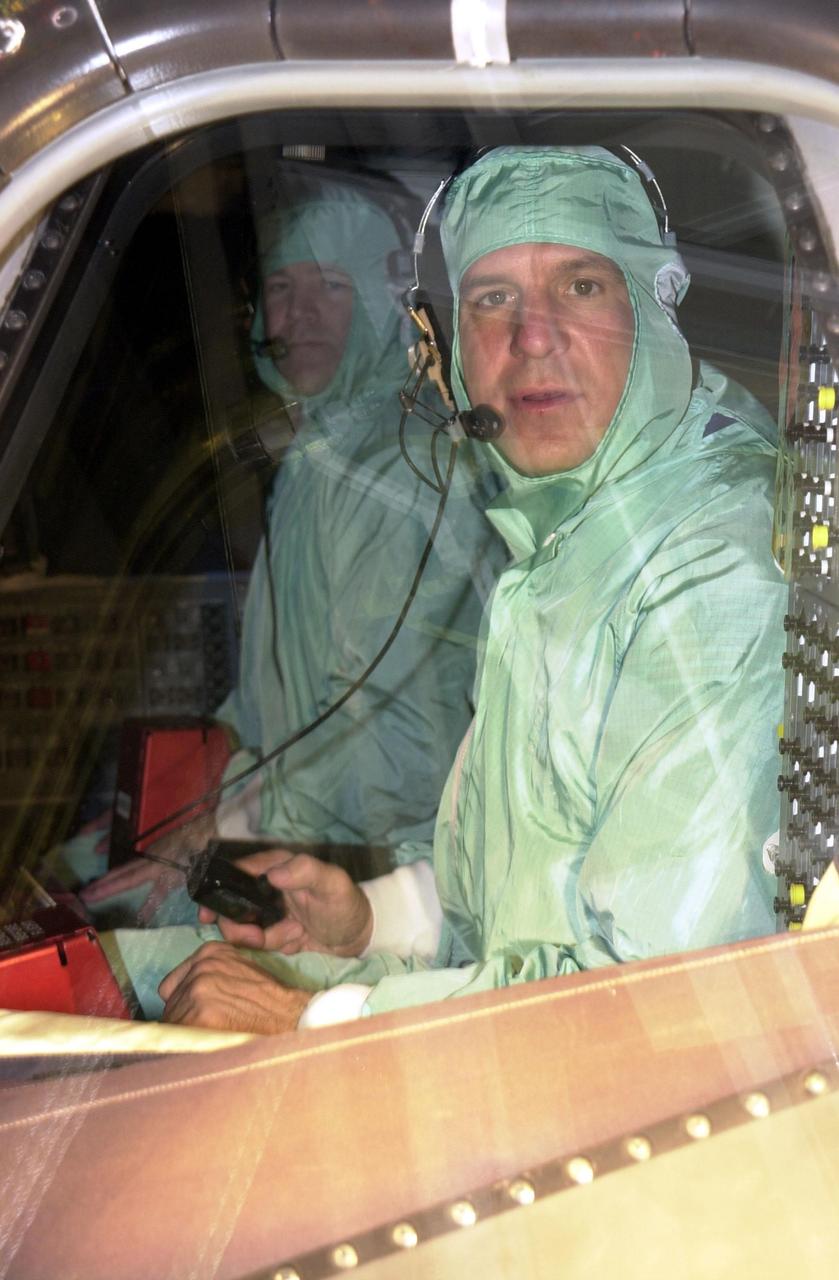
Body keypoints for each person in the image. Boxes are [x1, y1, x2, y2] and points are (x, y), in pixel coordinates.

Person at [151, 145, 787, 1032]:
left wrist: (313, 1016)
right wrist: (372, 920)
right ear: (443, 344)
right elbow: (522, 889)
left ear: (650, 307)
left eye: (580, 287)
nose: (532, 337)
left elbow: (653, 998)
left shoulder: (710, 571)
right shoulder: (567, 536)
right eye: (491, 299)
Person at [75, 172, 504, 927]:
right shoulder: (318, 457)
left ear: (380, 302)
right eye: (281, 286)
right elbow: (270, 697)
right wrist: (192, 795)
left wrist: (222, 827)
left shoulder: (399, 468)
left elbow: (383, 729)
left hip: (392, 869)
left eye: (331, 285)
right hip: (309, 824)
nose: (299, 313)